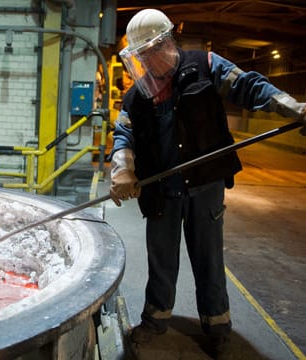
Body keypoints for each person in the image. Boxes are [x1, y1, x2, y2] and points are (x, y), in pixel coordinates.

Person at [109, 8, 306, 359]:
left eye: (151, 51)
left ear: (167, 43)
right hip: (162, 192)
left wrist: (291, 106)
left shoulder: (205, 65)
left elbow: (249, 86)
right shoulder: (137, 96)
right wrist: (122, 170)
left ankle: (217, 328)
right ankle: (155, 321)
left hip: (205, 185)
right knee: (162, 259)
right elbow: (124, 135)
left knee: (208, 258)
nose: (147, 61)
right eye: (140, 56)